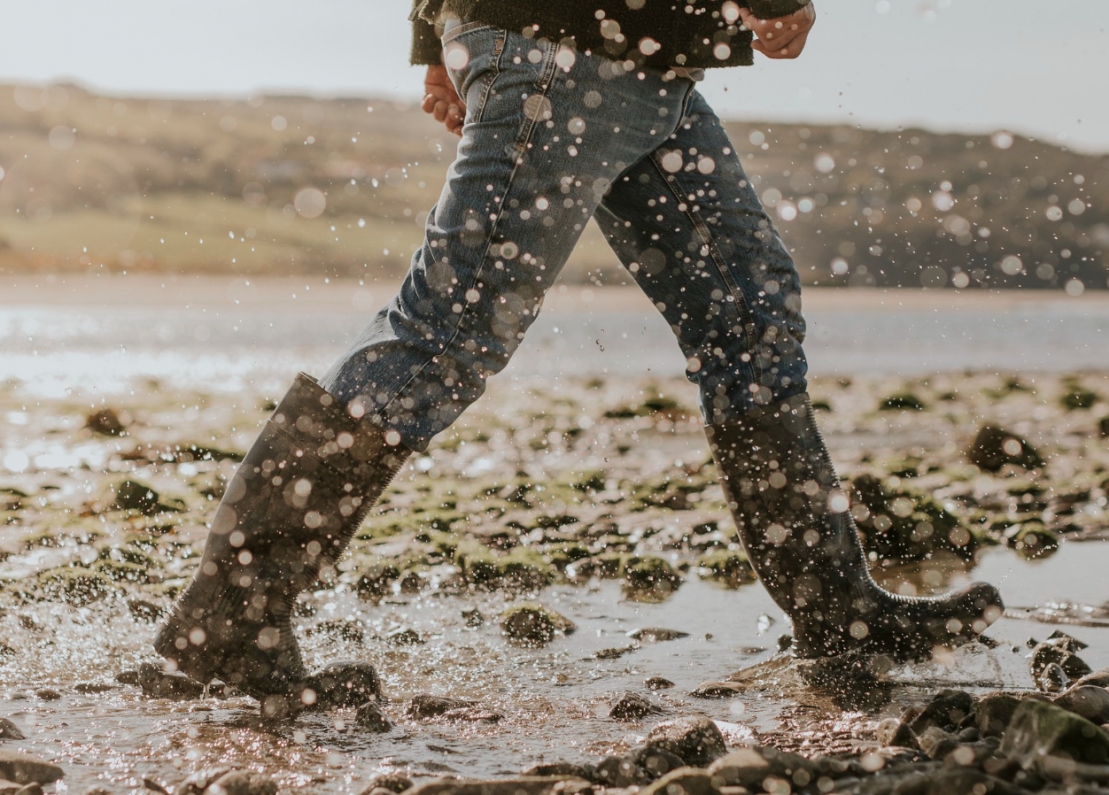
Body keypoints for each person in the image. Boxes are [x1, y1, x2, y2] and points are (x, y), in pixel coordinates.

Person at [154, 0, 1003, 706]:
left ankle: (835, 611)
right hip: (569, 48)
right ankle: (233, 608)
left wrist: (437, 35)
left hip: (628, 60)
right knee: (444, 334)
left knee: (750, 313)